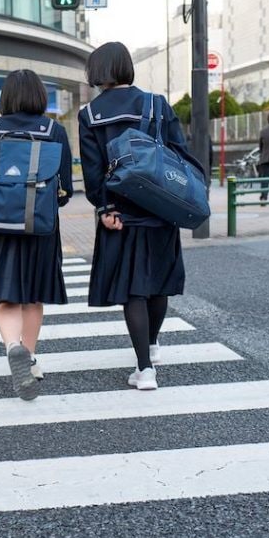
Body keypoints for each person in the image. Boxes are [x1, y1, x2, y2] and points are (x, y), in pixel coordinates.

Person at [78, 42, 203, 391]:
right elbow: (179, 152)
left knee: (133, 287)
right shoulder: (157, 104)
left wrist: (104, 208)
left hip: (121, 210)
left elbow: (92, 170)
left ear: (97, 72)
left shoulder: (90, 115)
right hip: (162, 206)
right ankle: (152, 345)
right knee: (157, 282)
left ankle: (145, 369)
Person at [0, 69, 73, 401]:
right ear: (39, 96)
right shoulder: (55, 130)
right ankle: (30, 360)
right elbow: (66, 189)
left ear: (5, 97)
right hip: (39, 227)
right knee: (34, 296)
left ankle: (12, 347)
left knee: (7, 296)